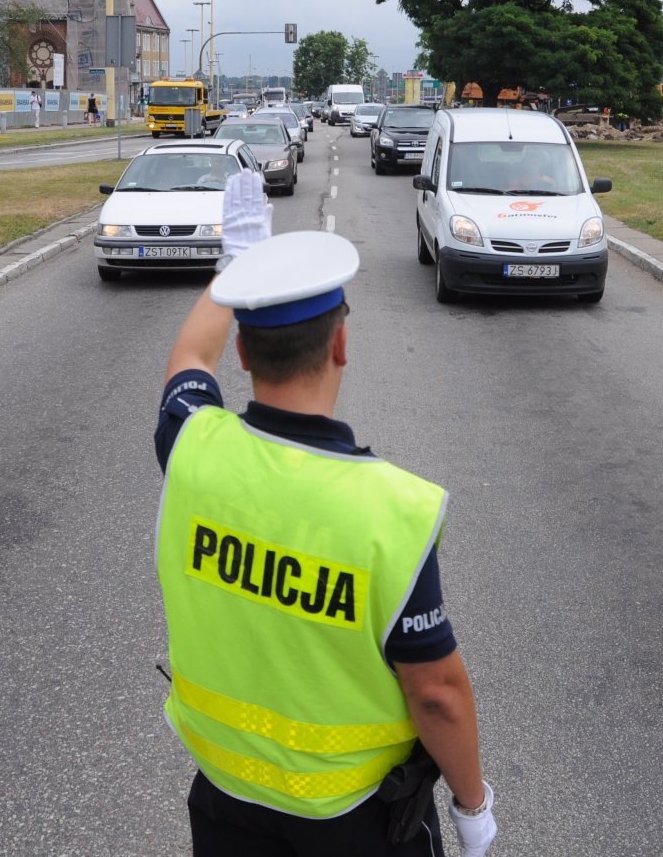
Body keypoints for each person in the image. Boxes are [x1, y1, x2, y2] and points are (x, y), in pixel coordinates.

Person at [154, 171, 497, 857]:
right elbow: (436, 694)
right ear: (341, 346)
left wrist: (238, 267)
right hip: (355, 823)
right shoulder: (389, 510)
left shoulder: (193, 445)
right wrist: (472, 806)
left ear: (245, 354)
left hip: (223, 805)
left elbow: (191, 356)